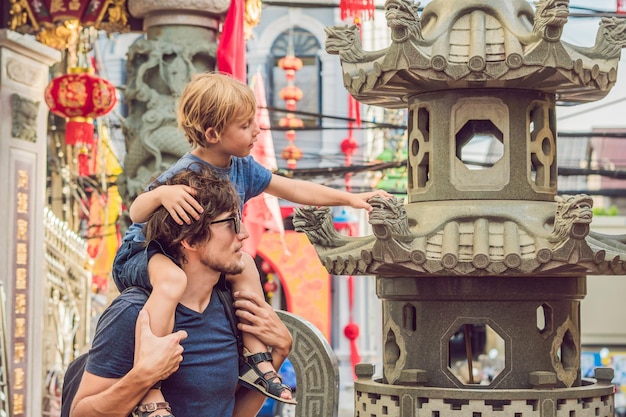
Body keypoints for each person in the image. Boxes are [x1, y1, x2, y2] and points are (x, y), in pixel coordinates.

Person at [113, 71, 391, 414]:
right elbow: (137, 212)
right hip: (144, 253)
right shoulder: (186, 172)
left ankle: (258, 360)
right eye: (245, 125)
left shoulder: (241, 167)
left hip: (188, 256)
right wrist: (164, 194)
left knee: (244, 262)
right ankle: (151, 385)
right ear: (214, 133)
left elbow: (292, 188)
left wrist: (351, 199)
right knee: (172, 281)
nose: (256, 131)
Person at [71, 167, 293, 417]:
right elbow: (79, 413)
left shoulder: (231, 310)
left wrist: (279, 353)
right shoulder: (133, 312)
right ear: (189, 240)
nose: (243, 234)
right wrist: (142, 378)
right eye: (231, 223)